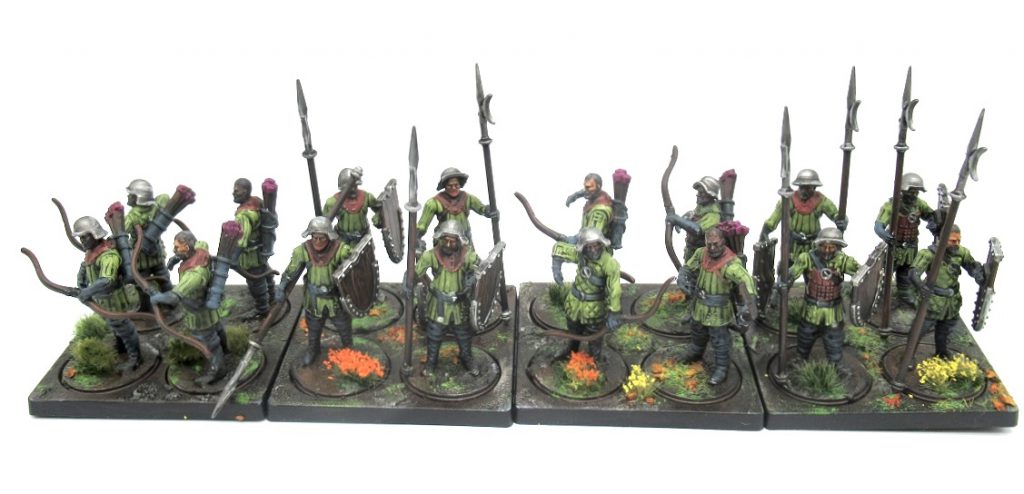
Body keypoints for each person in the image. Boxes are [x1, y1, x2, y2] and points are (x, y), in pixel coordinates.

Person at [677, 227, 757, 385]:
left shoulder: (731, 264)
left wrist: (747, 307)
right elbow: (688, 267)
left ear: (723, 242)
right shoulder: (701, 253)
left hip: (718, 310)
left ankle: (721, 367)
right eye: (709, 244)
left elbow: (745, 281)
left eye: (716, 244)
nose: (712, 248)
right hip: (700, 305)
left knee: (719, 339)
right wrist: (682, 277)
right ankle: (695, 351)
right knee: (697, 331)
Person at [150, 231, 228, 385]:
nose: (174, 249)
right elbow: (200, 243)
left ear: (186, 247)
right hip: (208, 309)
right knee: (217, 328)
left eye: (177, 247)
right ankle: (225, 349)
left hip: (199, 314)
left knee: (208, 341)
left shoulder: (194, 275)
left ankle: (218, 369)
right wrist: (177, 258)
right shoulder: (200, 249)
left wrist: (156, 297)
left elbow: (174, 297)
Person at [276, 217, 354, 366]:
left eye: (321, 238)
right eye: (314, 237)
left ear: (328, 237)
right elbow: (291, 271)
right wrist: (281, 287)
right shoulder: (303, 251)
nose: (317, 241)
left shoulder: (340, 250)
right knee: (314, 327)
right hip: (314, 300)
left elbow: (353, 270)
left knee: (343, 326)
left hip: (335, 299)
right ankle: (313, 350)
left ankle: (348, 348)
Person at [72, 216, 143, 373]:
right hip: (101, 300)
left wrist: (86, 292)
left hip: (114, 300)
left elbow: (106, 280)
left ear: (95, 234)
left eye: (85, 236)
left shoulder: (108, 256)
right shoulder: (92, 253)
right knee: (113, 325)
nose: (82, 241)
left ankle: (135, 358)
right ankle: (121, 346)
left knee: (124, 328)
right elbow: (87, 268)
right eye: (80, 237)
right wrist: (81, 284)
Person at [414, 220, 481, 376]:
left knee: (463, 335)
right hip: (439, 305)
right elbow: (416, 273)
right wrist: (409, 279)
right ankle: (431, 362)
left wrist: (474, 276)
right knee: (434, 335)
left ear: (459, 241)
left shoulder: (467, 255)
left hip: (459, 305)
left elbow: (480, 269)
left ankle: (466, 357)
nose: (449, 244)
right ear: (440, 239)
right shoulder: (431, 255)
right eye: (446, 240)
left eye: (453, 241)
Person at [787, 227, 860, 369]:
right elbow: (792, 273)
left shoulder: (843, 260)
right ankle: (800, 358)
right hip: (811, 308)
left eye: (831, 247)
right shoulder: (807, 258)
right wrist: (785, 281)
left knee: (834, 338)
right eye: (823, 246)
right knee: (805, 335)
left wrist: (851, 287)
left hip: (833, 310)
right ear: (818, 245)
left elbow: (861, 275)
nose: (827, 250)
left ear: (837, 247)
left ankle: (836, 364)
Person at [911, 225, 985, 359]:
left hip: (951, 302)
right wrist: (922, 288)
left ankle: (941, 352)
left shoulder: (961, 252)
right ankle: (909, 355)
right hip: (933, 301)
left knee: (945, 329)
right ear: (942, 239)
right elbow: (913, 273)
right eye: (953, 241)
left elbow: (972, 266)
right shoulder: (928, 254)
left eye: (959, 240)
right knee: (920, 329)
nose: (956, 243)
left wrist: (978, 274)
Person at [554, 227, 623, 361]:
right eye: (589, 247)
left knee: (594, 337)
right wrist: (556, 268)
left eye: (596, 245)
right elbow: (559, 249)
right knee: (573, 330)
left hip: (594, 307)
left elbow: (615, 289)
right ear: (584, 248)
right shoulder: (581, 255)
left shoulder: (609, 263)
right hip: (575, 303)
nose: (593, 250)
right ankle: (571, 351)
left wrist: (614, 312)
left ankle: (595, 360)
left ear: (601, 244)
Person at [875, 172, 939, 307]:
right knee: (885, 273)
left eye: (916, 192)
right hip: (895, 247)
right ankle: (879, 297)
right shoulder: (892, 205)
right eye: (911, 191)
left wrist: (935, 220)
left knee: (906, 273)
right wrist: (884, 235)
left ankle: (904, 295)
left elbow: (931, 215)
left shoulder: (919, 204)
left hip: (911, 247)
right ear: (904, 190)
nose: (914, 195)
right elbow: (878, 226)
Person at [760, 169, 847, 261]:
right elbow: (774, 218)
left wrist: (841, 220)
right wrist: (765, 232)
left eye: (807, 188)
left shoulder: (821, 200)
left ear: (814, 188)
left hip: (813, 245)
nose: (803, 191)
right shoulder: (789, 200)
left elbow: (835, 214)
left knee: (814, 266)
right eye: (801, 187)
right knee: (789, 266)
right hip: (793, 244)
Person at [416, 167, 497, 248]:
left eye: (456, 185)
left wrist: (489, 211)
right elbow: (422, 225)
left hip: (464, 239)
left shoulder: (467, 198)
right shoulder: (434, 202)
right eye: (450, 186)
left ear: (460, 184)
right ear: (444, 186)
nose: (453, 188)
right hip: (445, 241)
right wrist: (416, 237)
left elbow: (482, 209)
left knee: (470, 256)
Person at [123, 179, 173, 298]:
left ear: (139, 198)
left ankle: (149, 303)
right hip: (156, 254)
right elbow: (164, 197)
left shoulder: (131, 216)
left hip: (141, 257)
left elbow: (123, 230)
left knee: (142, 282)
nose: (128, 197)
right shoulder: (154, 208)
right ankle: (169, 299)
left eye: (131, 195)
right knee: (164, 279)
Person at [233, 178, 275, 317]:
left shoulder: (244, 215)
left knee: (255, 279)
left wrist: (233, 256)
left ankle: (262, 309)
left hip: (250, 253)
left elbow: (243, 238)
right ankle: (272, 296)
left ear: (245, 191)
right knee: (264, 271)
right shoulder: (256, 202)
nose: (233, 193)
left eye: (237, 190)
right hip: (260, 248)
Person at [666, 176, 722, 263]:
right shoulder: (700, 209)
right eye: (698, 192)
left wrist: (677, 220)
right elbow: (692, 215)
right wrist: (682, 220)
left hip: (703, 256)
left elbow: (697, 230)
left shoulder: (713, 215)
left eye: (701, 193)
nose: (698, 195)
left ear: (710, 195)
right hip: (690, 250)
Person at [322, 166, 382, 244]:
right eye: (349, 187)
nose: (353, 189)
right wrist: (330, 237)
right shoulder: (332, 202)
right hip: (342, 240)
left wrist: (378, 217)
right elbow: (323, 224)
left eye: (354, 186)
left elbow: (380, 209)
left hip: (363, 239)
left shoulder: (367, 197)